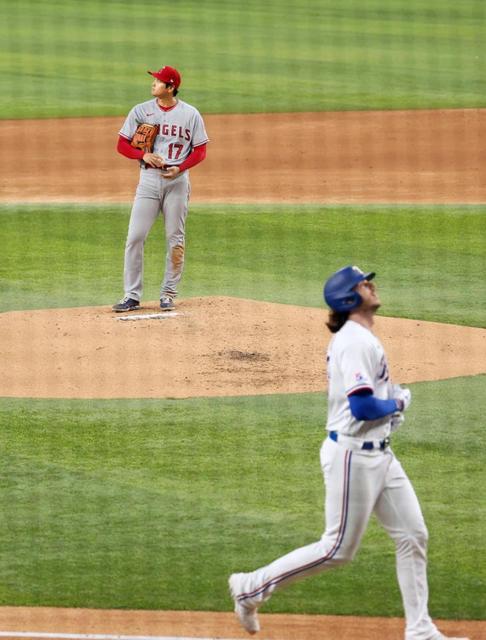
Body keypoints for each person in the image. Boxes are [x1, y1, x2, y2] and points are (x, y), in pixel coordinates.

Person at [229, 265, 469, 640]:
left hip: (381, 456)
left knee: (412, 534)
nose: (370, 285)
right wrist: (398, 405)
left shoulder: (362, 337)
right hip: (352, 457)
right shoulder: (354, 341)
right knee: (337, 549)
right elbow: (362, 408)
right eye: (362, 283)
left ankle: (420, 631)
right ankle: (251, 588)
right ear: (348, 298)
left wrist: (390, 406)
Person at [112, 66, 209, 312]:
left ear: (170, 87)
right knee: (135, 237)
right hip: (148, 181)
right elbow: (122, 145)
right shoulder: (141, 111)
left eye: (158, 81)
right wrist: (142, 156)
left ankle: (168, 294)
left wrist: (181, 168)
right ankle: (131, 295)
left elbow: (200, 151)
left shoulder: (190, 114)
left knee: (175, 238)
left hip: (177, 182)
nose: (153, 84)